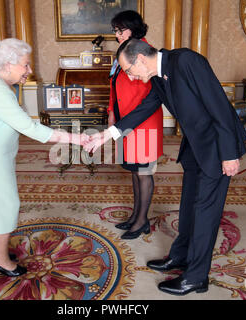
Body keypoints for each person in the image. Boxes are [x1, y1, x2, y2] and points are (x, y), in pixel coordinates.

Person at [84, 38, 246, 295]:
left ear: (139, 59)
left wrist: (229, 154)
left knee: (206, 212)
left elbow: (220, 106)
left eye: (128, 70)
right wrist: (107, 134)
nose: (132, 77)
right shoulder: (158, 76)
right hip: (195, 146)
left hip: (217, 146)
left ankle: (196, 277)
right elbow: (145, 108)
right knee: (188, 205)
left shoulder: (187, 61)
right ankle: (179, 257)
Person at [0, 38, 89, 277]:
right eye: (25, 65)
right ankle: (0, 260)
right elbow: (31, 129)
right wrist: (77, 139)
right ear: (8, 64)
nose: (29, 71)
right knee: (4, 204)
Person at [108, 10, 163, 240]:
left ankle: (142, 221)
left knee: (143, 171)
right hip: (124, 121)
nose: (118, 34)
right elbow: (113, 85)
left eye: (122, 30)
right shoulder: (121, 54)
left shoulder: (145, 52)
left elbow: (151, 94)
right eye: (116, 31)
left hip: (143, 122)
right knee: (133, 170)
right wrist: (111, 112)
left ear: (134, 27)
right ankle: (135, 216)